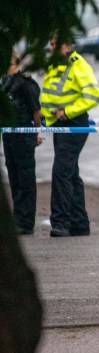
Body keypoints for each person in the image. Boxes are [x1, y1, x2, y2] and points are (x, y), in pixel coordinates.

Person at [40, 36, 99, 237]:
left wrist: (68, 112)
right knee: (70, 173)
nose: (52, 47)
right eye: (51, 43)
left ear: (66, 45)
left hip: (73, 123)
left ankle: (60, 223)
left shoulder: (77, 64)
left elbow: (92, 95)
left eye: (55, 43)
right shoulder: (56, 65)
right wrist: (46, 116)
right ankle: (79, 224)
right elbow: (51, 95)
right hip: (61, 123)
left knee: (61, 172)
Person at [2, 53, 44, 234]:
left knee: (25, 180)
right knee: (14, 178)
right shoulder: (5, 84)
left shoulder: (26, 84)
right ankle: (18, 218)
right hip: (10, 138)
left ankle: (26, 223)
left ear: (17, 64)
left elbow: (37, 113)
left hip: (23, 137)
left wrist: (34, 134)